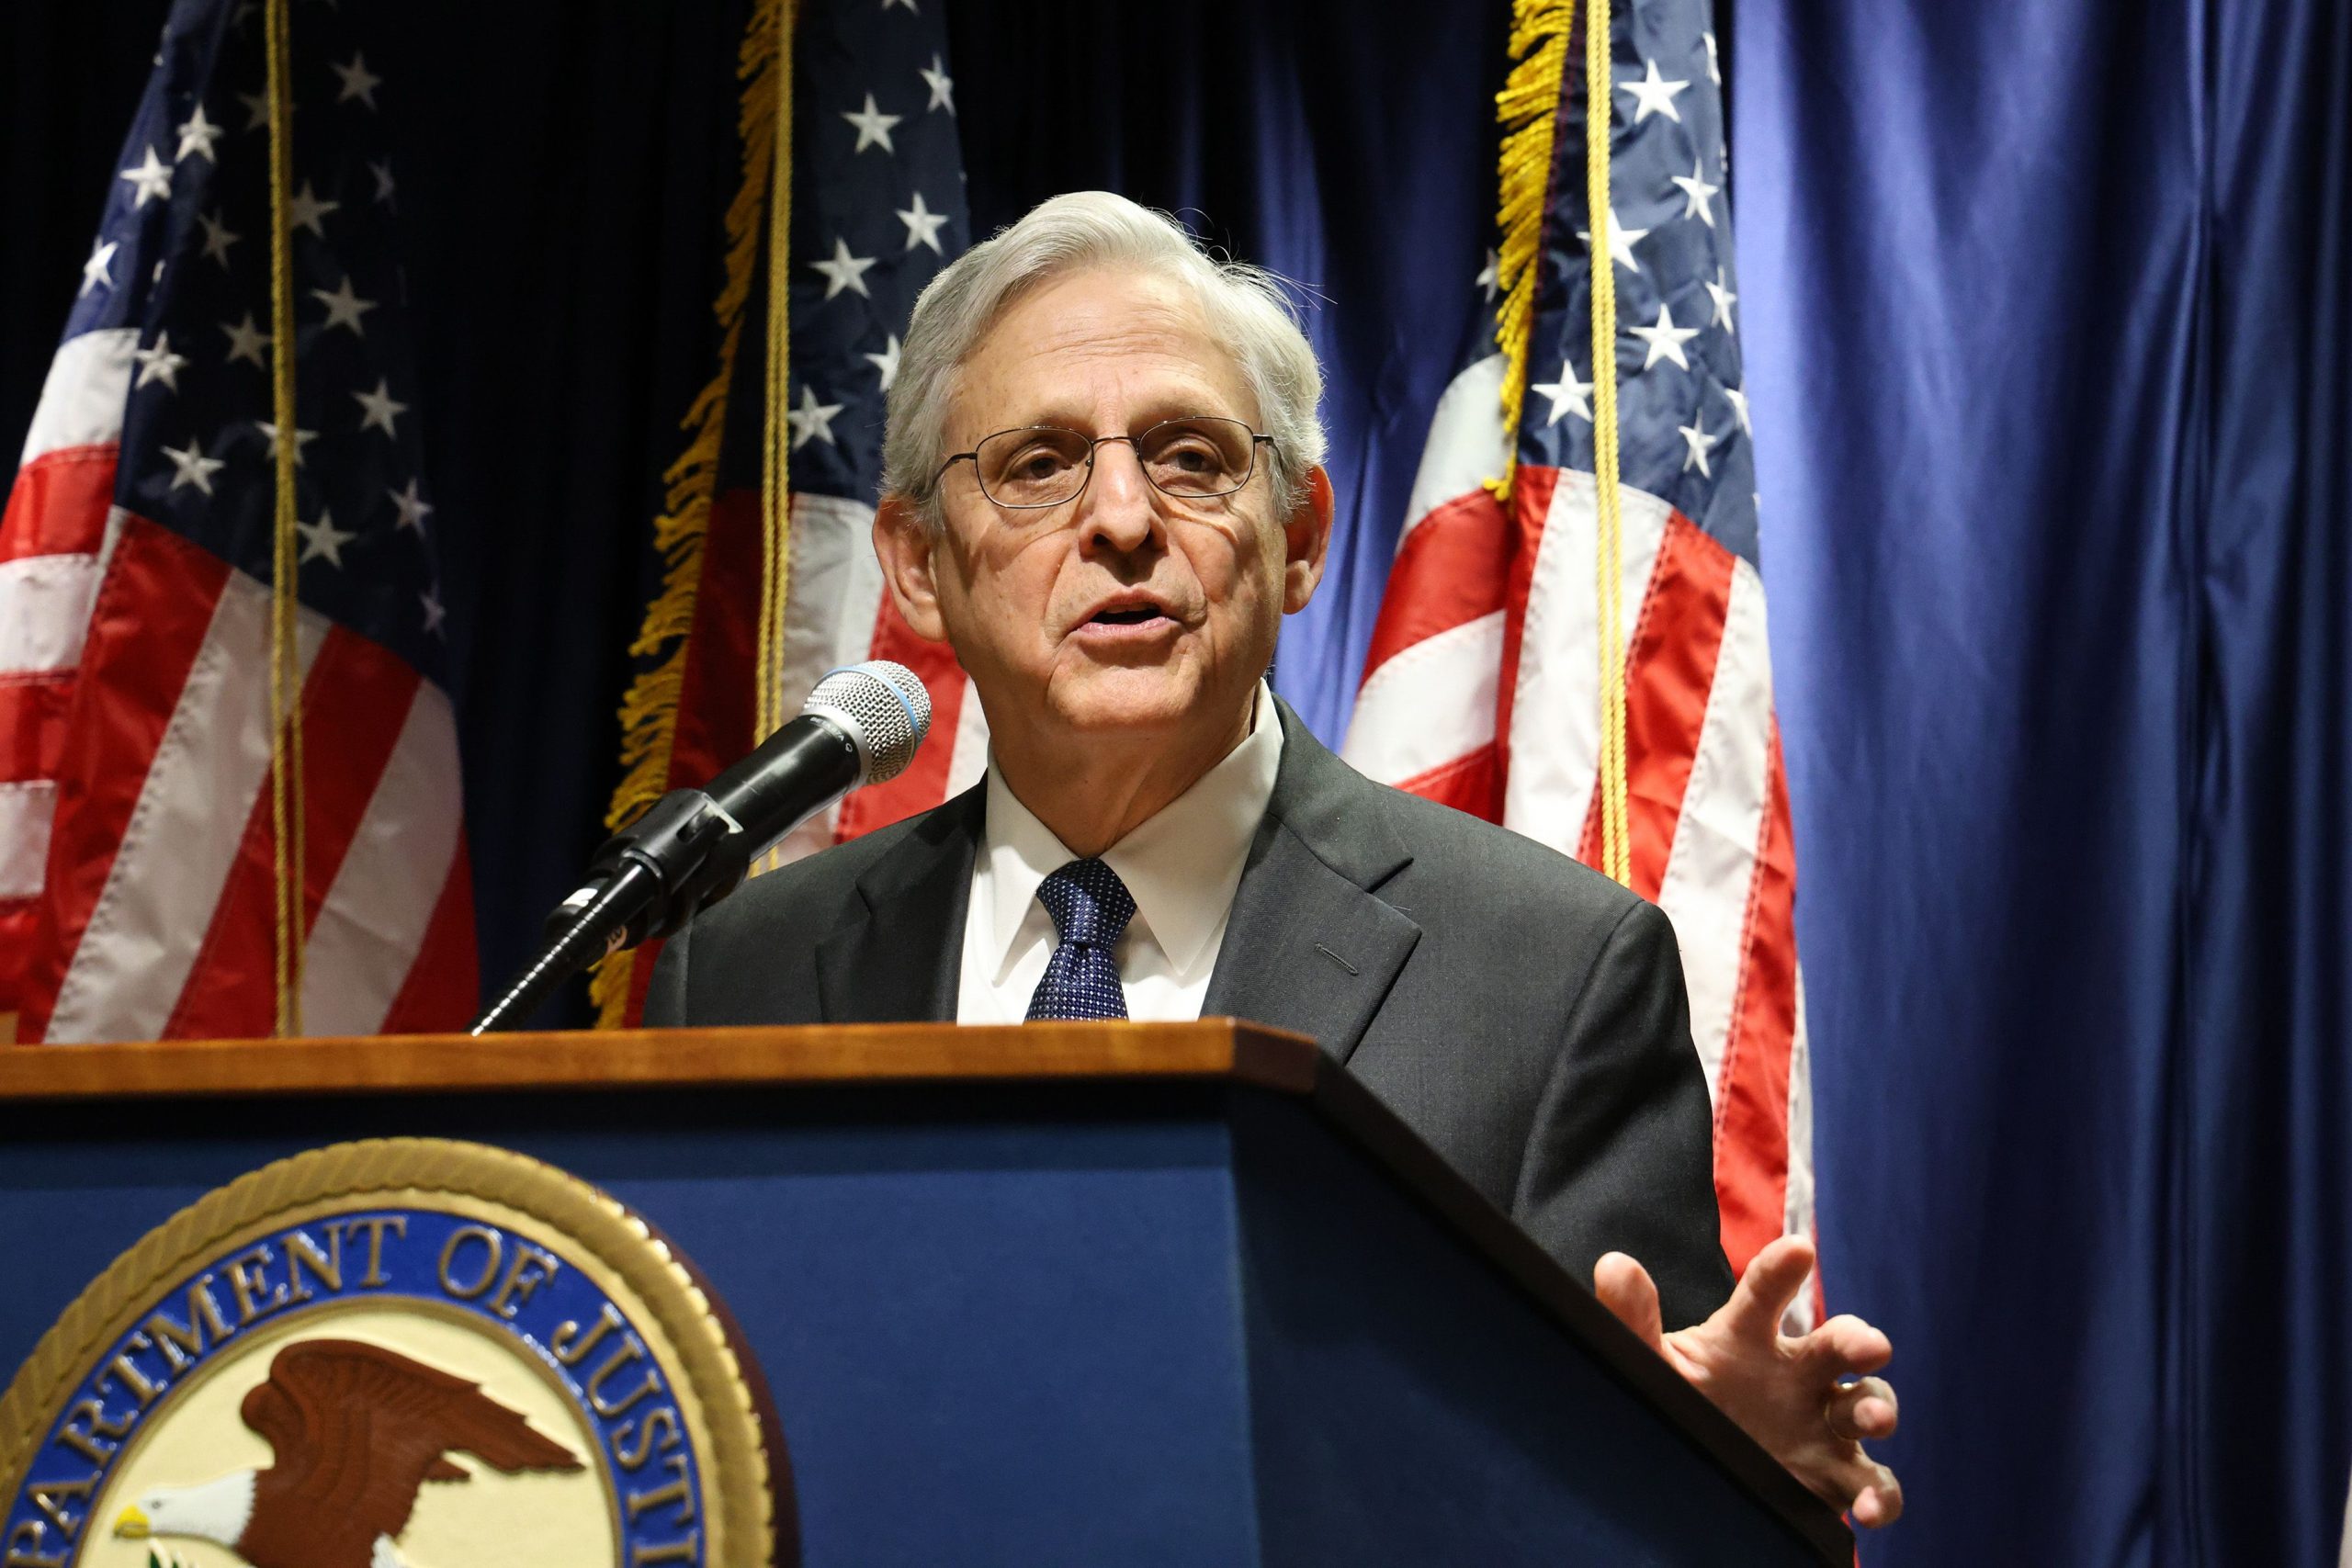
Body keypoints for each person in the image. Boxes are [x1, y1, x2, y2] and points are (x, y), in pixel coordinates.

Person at [645, 191, 1902, 1526]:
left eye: (1189, 457)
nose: (1120, 518)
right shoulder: (743, 971)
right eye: (1039, 464)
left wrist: (1701, 1473)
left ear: (1299, 538)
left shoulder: (1551, 981)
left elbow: (1615, 1493)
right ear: (916, 565)